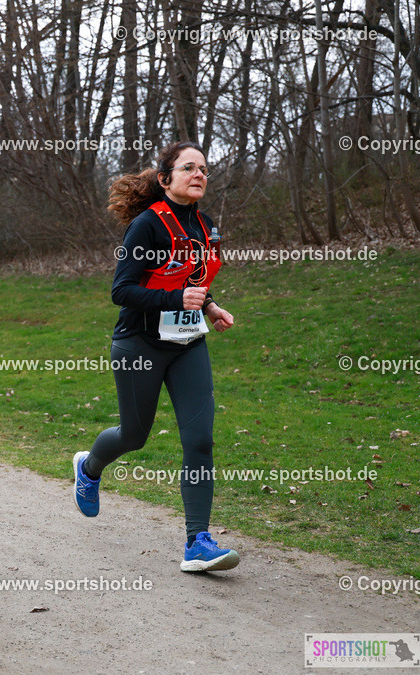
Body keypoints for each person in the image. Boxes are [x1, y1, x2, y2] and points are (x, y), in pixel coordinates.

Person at [72, 141, 239, 572]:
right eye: (189, 167)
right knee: (134, 435)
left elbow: (193, 280)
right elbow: (121, 291)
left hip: (187, 345)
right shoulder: (147, 225)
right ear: (165, 179)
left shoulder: (206, 226)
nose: (199, 174)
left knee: (200, 439)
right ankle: (89, 468)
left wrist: (209, 306)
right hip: (139, 344)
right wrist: (176, 299)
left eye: (204, 168)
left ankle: (197, 542)